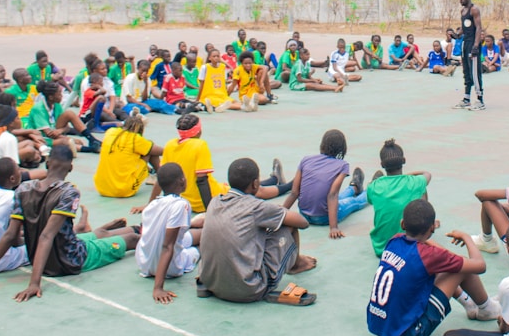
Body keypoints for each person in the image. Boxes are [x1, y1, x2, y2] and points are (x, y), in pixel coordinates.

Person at [0, 144, 141, 302]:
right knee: (132, 239)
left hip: (44, 255)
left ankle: (121, 228)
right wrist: (34, 284)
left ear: (48, 163)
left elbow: (10, 235)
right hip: (70, 259)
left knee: (97, 235)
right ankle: (140, 232)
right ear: (70, 168)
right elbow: (46, 235)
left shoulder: (24, 189)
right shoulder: (69, 192)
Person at [368, 199, 500, 336]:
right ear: (432, 228)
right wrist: (467, 238)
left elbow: (438, 256)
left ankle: (470, 304)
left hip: (378, 325)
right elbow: (479, 265)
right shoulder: (427, 255)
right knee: (461, 268)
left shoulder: (394, 240)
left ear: (403, 224)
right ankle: (486, 308)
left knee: (442, 267)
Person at [197, 157, 317, 305]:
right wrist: (278, 212)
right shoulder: (256, 207)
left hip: (212, 283)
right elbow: (302, 222)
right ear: (255, 184)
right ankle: (296, 264)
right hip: (249, 289)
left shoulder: (215, 201)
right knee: (288, 226)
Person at [135, 163, 204, 304]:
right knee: (203, 243)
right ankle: (198, 250)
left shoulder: (152, 205)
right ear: (182, 181)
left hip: (144, 262)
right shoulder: (181, 205)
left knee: (198, 233)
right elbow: (167, 246)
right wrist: (158, 288)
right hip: (170, 267)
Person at [284, 129, 369, 238]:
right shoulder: (342, 165)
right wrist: (333, 227)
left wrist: (279, 214)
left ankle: (354, 188)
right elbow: (332, 195)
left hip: (304, 215)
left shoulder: (305, 160)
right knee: (353, 202)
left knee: (340, 197)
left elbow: (294, 192)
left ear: (322, 144)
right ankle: (371, 189)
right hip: (324, 217)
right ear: (342, 149)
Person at [367, 139, 431, 257]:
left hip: (382, 249)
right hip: (409, 247)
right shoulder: (413, 182)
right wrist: (406, 176)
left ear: (382, 164)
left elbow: (370, 201)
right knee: (421, 188)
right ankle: (429, 223)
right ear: (404, 161)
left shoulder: (373, 187)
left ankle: (377, 178)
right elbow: (427, 174)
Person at [455, 0, 485, 110]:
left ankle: (480, 100)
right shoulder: (462, 11)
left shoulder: (474, 10)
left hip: (473, 43)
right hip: (465, 44)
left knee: (475, 73)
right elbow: (464, 28)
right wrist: (456, 34)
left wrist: (476, 46)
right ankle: (466, 99)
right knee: (466, 71)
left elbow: (478, 28)